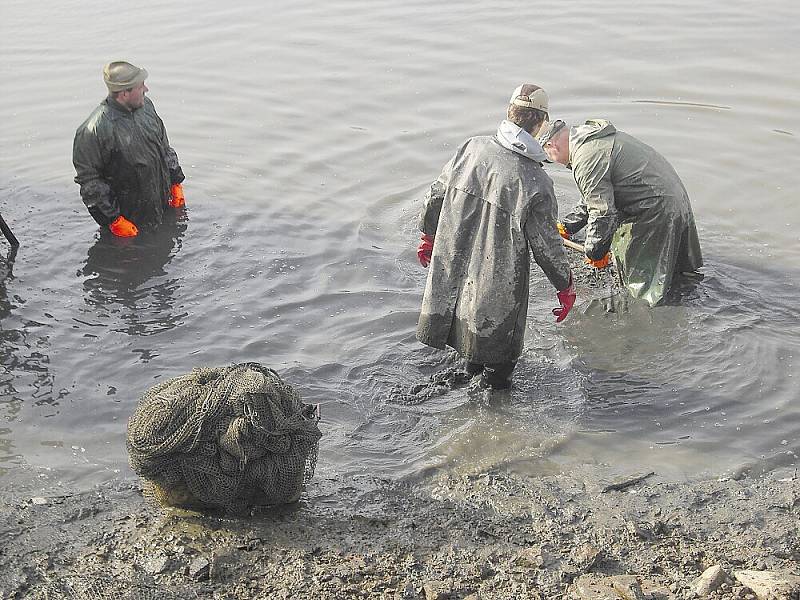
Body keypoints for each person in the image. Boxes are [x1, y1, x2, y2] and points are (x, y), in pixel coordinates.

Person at [415, 84, 576, 390]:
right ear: (539, 124)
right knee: (499, 366)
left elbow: (435, 195)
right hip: (497, 286)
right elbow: (547, 246)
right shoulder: (535, 181)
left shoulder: (471, 148)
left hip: (457, 266)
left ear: (508, 113)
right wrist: (565, 285)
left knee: (466, 333)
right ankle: (492, 412)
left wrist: (428, 235)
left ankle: (466, 381)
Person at [538, 118, 702, 306]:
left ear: (551, 145)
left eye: (548, 156)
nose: (553, 161)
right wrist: (567, 226)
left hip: (655, 211)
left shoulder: (586, 158)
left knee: (641, 290)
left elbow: (602, 213)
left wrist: (595, 253)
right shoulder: (591, 141)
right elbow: (594, 196)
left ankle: (650, 312)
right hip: (675, 201)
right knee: (678, 278)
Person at [73, 61, 186, 238]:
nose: (146, 89)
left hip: (163, 207)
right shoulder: (93, 131)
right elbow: (90, 183)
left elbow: (164, 146)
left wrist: (176, 181)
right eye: (140, 86)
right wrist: (113, 220)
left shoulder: (146, 107)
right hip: (129, 224)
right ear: (125, 93)